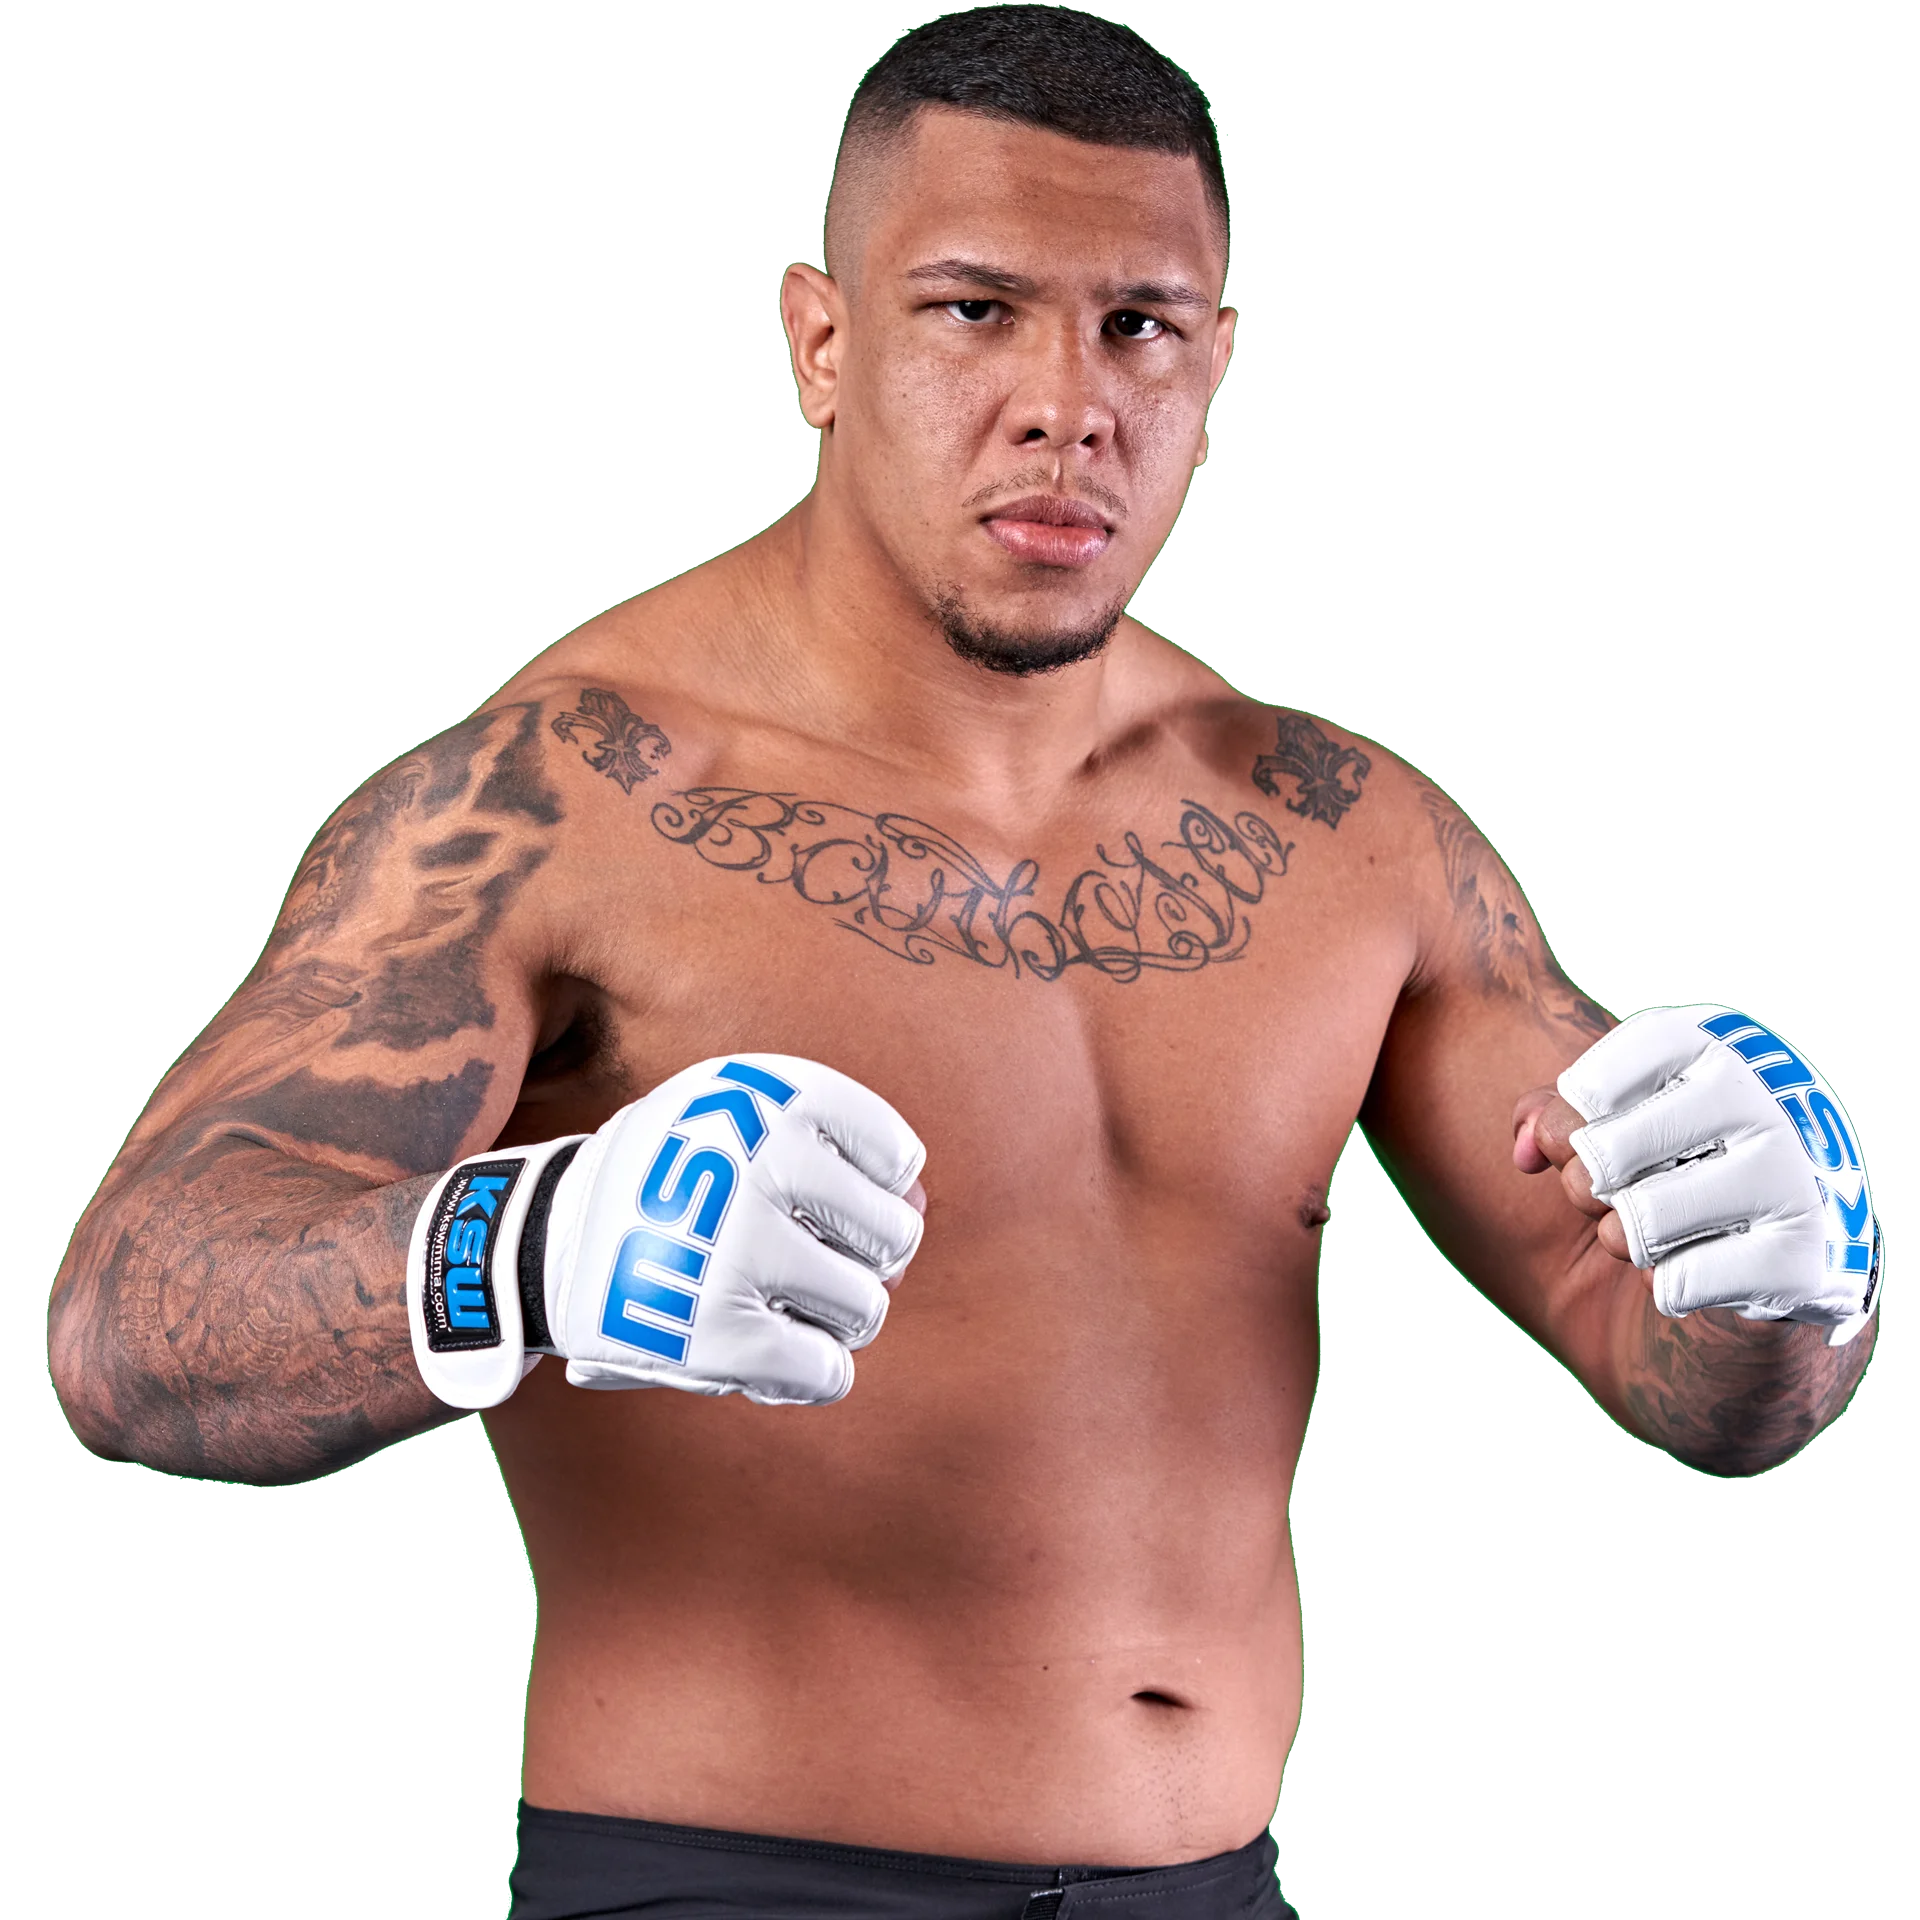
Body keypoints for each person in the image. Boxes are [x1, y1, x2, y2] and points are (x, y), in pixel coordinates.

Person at [45, 10, 1882, 1918]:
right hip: (736, 1891)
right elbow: (126, 1328)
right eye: (974, 312)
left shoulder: (1342, 834)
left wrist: (1799, 1279)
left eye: (1139, 326)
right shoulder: (559, 803)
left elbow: (1698, 1385)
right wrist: (531, 1245)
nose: (1066, 406)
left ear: (1215, 368)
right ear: (821, 342)